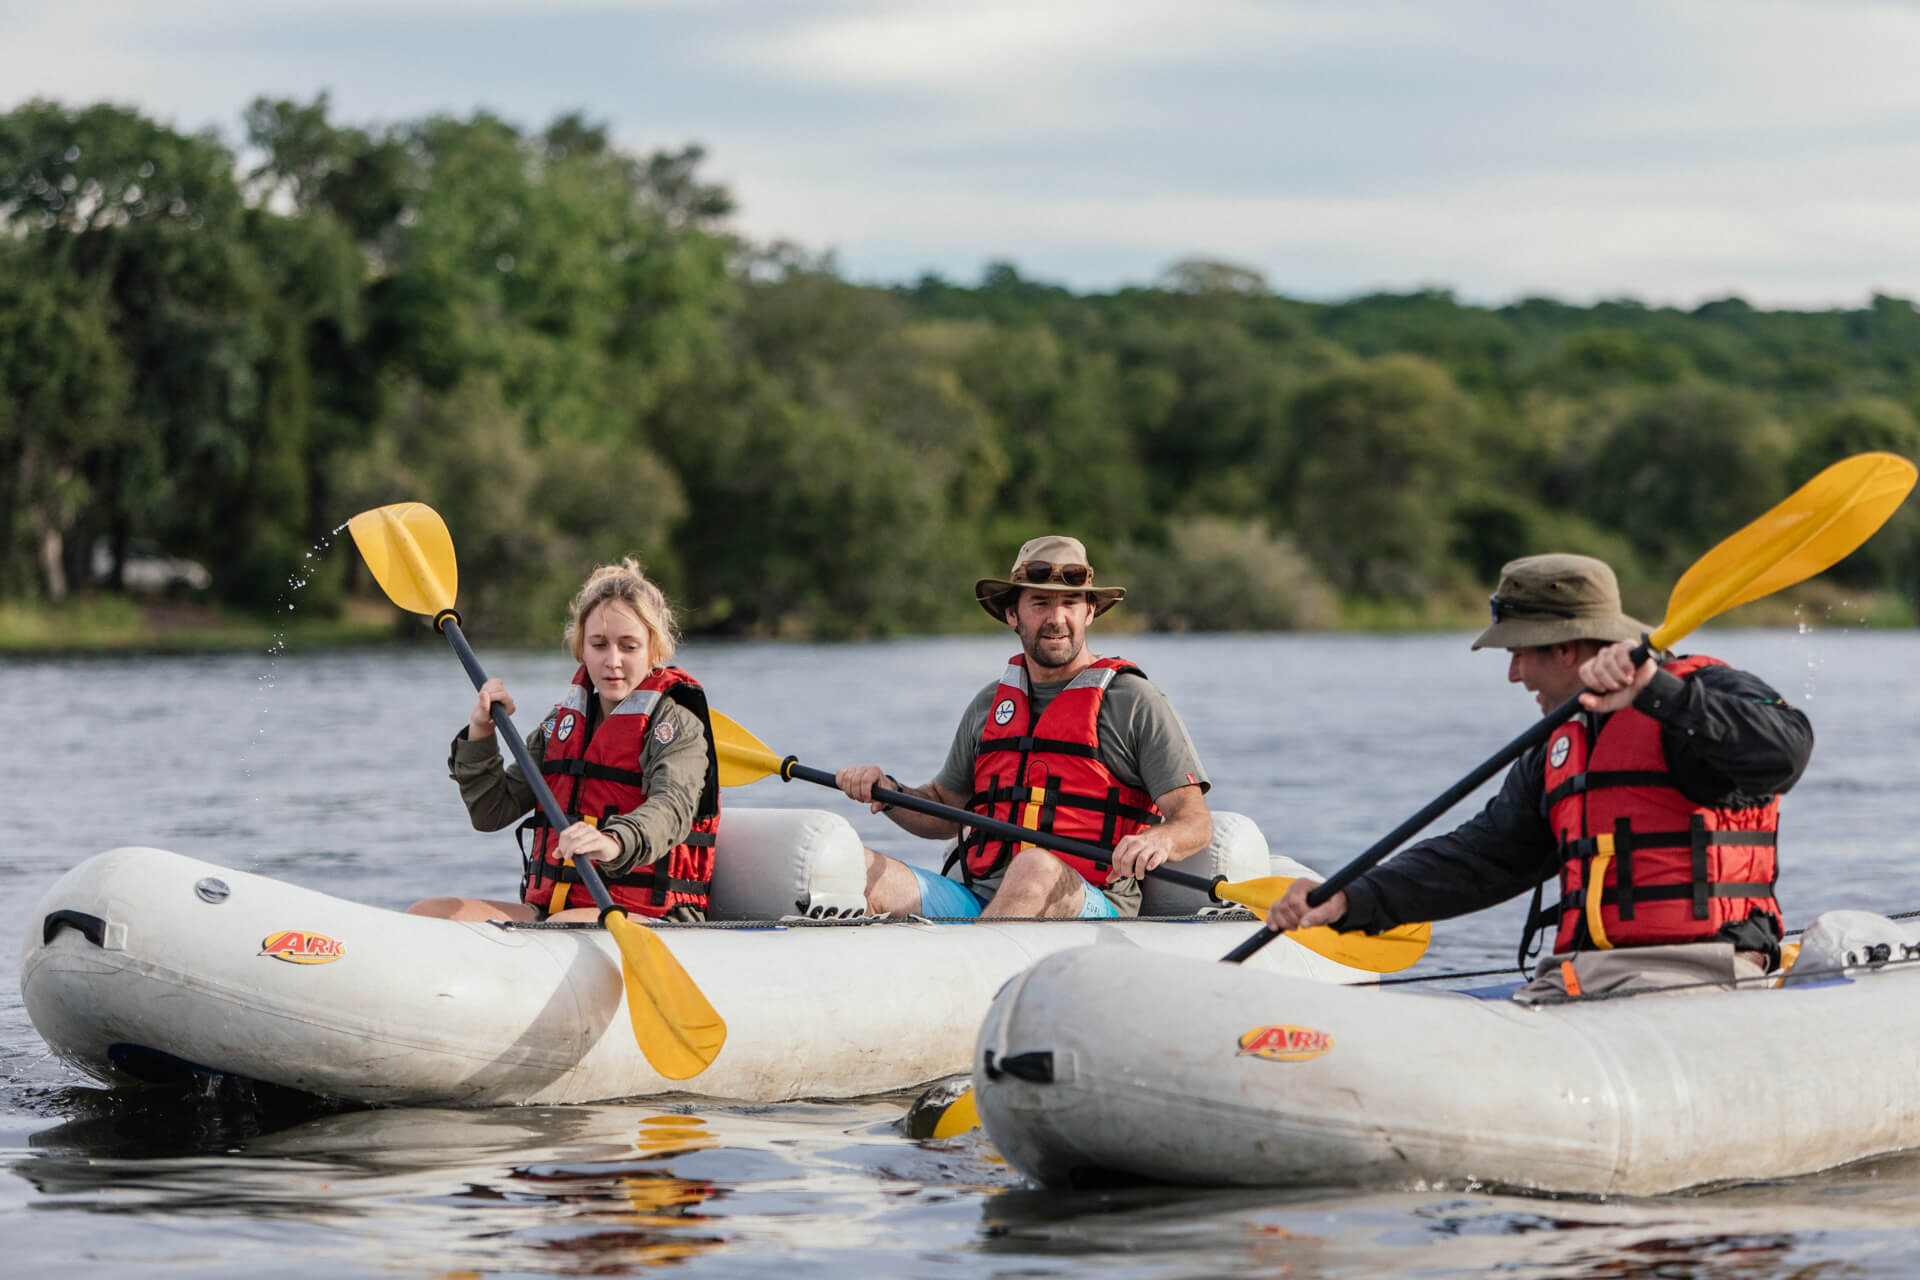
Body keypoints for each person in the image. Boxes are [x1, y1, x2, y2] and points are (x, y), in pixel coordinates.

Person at [1264, 553, 1813, 1001]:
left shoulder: (1694, 700)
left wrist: (1658, 693)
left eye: (1520, 654)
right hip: (1579, 976)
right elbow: (1482, 859)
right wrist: (1348, 900)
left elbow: (1785, 751)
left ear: (1567, 648)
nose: (1512, 674)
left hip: (1697, 970)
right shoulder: (1563, 743)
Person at [835, 535, 1214, 920]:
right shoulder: (989, 705)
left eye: (1069, 603)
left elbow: (1194, 819)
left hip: (1089, 902)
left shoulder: (1135, 701)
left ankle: (966, 962)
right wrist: (889, 792)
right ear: (1012, 615)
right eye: (1040, 604)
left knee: (1034, 867)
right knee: (856, 870)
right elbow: (945, 809)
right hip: (978, 898)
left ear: (1090, 612)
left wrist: (1161, 838)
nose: (1056, 618)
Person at [412, 559, 722, 923]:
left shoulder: (677, 725)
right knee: (429, 913)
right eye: (599, 644)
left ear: (654, 651)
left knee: (563, 925)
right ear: (581, 648)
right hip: (555, 912)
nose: (613, 661)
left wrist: (613, 841)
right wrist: (482, 733)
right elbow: (490, 812)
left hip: (652, 918)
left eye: (629, 646)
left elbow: (672, 808)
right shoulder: (561, 725)